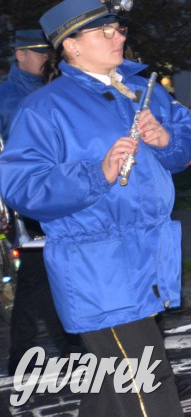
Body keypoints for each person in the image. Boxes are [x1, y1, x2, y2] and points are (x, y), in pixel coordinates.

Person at [0, 0, 191, 415]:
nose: (118, 38)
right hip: (96, 264)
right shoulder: (45, 108)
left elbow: (189, 144)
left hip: (147, 254)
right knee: (147, 383)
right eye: (104, 31)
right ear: (71, 46)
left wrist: (166, 142)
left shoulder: (140, 88)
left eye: (119, 29)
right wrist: (100, 172)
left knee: (110, 392)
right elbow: (21, 186)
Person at [0, 30, 84, 375]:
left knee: (44, 275)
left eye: (44, 53)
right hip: (30, 195)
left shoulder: (41, 88)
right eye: (35, 53)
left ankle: (40, 352)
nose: (43, 58)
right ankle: (65, 348)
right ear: (19, 55)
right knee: (41, 273)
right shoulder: (10, 96)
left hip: (48, 191)